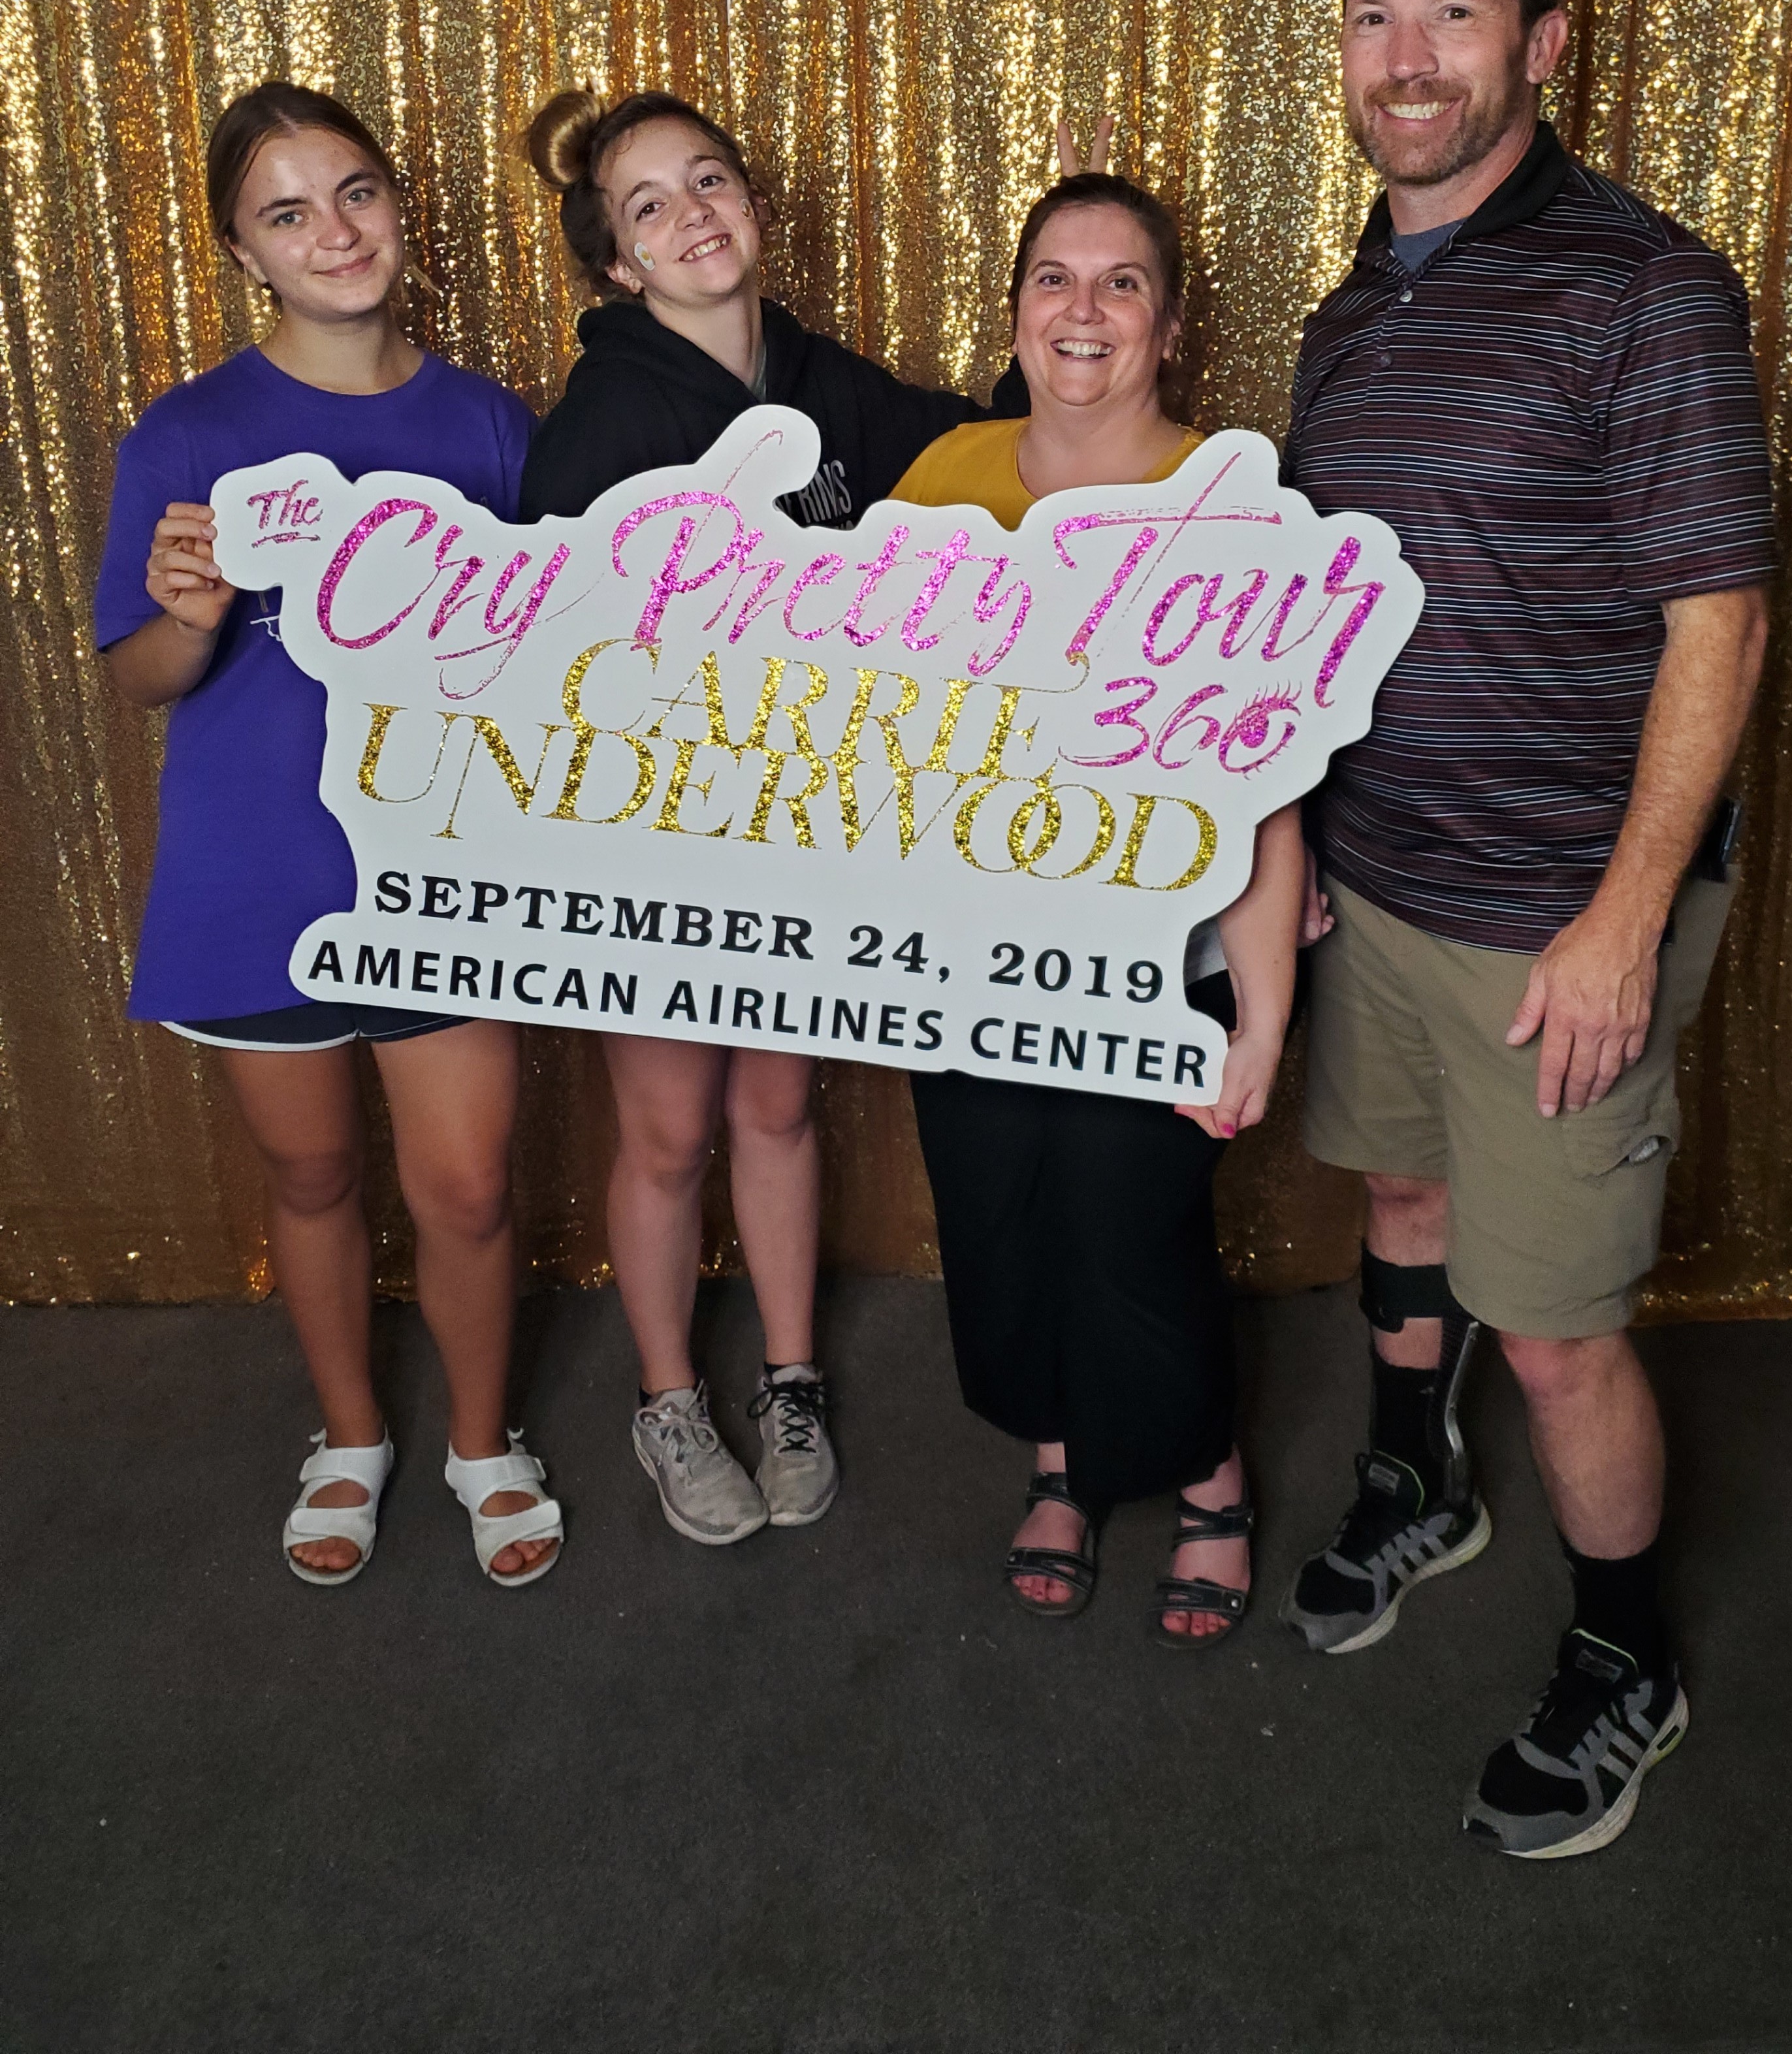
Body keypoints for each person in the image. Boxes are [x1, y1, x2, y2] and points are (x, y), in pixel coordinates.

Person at [1280, 0, 1774, 1854]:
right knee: (1402, 1195)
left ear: (1544, 43)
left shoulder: (1647, 287)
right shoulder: (1349, 312)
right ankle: (1419, 1475)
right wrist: (1303, 847)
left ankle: (1627, 1654)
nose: (1408, 60)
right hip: (1382, 886)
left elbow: (1721, 621)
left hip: (1562, 921)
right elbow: (1320, 624)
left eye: (1455, 15)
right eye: (1374, 18)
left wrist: (1624, 925)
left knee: (1559, 1328)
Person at [517, 88, 1052, 1545]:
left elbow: (973, 449)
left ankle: (793, 1378)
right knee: (668, 1129)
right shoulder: (605, 420)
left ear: (752, 204)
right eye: (650, 204)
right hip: (654, 849)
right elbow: (543, 658)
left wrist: (1067, 346)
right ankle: (668, 1398)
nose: (694, 213)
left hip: (798, 839)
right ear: (619, 262)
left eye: (710, 179)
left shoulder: (819, 379)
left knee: (774, 1104)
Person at [95, 84, 562, 1592]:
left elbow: (555, 659)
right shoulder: (189, 430)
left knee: (468, 1184)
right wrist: (188, 616)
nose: (335, 231)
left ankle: (482, 1440)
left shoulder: (490, 422)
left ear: (398, 205)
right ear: (246, 252)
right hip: (257, 868)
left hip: (444, 869)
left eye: (355, 192)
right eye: (287, 213)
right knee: (308, 1179)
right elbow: (137, 676)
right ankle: (351, 1433)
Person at [893, 163, 1305, 1647]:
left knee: (1135, 1224)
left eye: (1122, 282)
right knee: (1000, 1215)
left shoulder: (1236, 499)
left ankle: (1208, 1473)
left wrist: (1263, 1018)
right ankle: (1061, 1462)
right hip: (964, 958)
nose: (1084, 310)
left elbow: (1268, 789)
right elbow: (862, 735)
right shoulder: (940, 477)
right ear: (1014, 312)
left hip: (1158, 961)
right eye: (1054, 279)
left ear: (1169, 327)